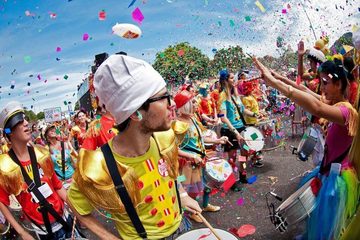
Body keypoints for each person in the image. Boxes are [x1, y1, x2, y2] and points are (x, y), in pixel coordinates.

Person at [67, 55, 201, 240]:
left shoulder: (164, 137)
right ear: (135, 113)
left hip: (181, 227)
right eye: (162, 99)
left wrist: (183, 195)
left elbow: (169, 173)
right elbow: (75, 204)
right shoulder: (99, 166)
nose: (172, 106)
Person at [253, 57, 359, 239]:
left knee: (328, 229)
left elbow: (316, 107)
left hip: (338, 179)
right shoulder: (336, 105)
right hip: (326, 172)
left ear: (339, 83)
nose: (322, 88)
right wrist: (274, 77)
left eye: (326, 83)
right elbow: (302, 89)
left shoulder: (346, 112)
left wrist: (274, 83)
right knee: (317, 221)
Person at [0, 101, 81, 240]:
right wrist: (22, 232)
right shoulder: (4, 166)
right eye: (19, 120)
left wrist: (77, 210)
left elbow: (57, 185)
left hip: (65, 219)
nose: (26, 123)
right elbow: (2, 201)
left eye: (25, 118)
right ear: (9, 132)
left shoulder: (42, 153)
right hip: (44, 231)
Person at [173, 89, 228, 223]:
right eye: (192, 101)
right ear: (184, 105)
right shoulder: (178, 125)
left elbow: (201, 137)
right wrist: (190, 156)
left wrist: (217, 140)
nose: (196, 103)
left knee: (206, 185)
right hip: (188, 164)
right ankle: (192, 213)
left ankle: (205, 205)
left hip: (200, 159)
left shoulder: (193, 118)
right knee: (191, 189)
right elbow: (172, 149)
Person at [217, 69, 260, 190]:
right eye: (231, 78)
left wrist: (254, 114)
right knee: (232, 158)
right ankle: (230, 182)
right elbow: (223, 118)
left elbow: (242, 110)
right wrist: (235, 133)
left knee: (245, 152)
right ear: (225, 81)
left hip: (241, 128)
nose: (234, 80)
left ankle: (242, 174)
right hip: (230, 131)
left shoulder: (235, 95)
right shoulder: (222, 97)